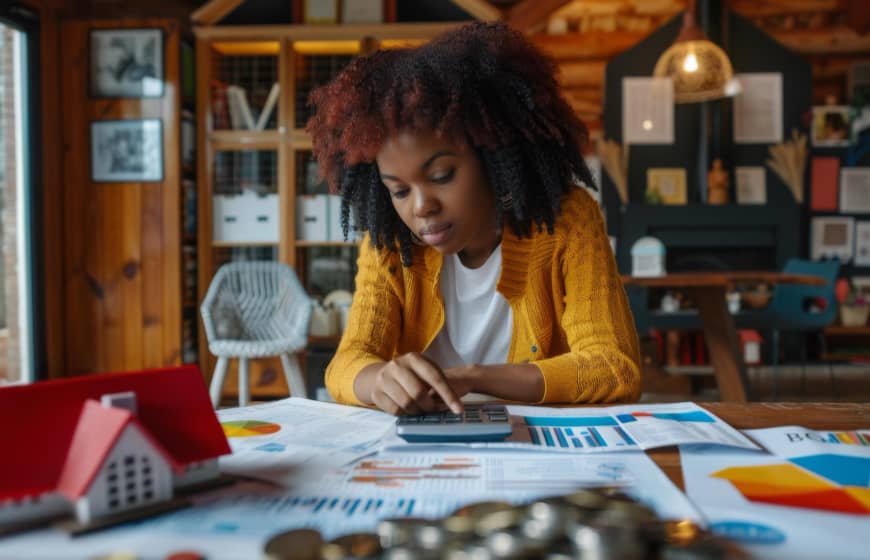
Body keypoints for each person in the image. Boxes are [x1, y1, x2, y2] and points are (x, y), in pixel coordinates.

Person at [307, 22, 641, 416]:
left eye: (441, 176)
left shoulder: (566, 220)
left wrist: (471, 378)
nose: (420, 207)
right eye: (399, 190)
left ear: (493, 159)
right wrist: (378, 378)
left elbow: (613, 367)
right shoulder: (392, 243)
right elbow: (346, 364)